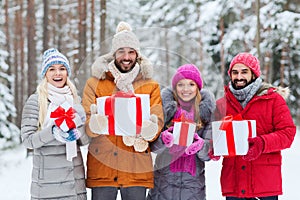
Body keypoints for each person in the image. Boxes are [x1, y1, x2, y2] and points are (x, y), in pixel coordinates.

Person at [82, 21, 164, 200]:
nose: (126, 57)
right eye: (121, 51)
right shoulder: (94, 83)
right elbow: (85, 122)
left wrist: (152, 129)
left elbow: (157, 118)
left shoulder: (150, 85)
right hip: (103, 167)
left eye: (131, 52)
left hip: (136, 168)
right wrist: (93, 124)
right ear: (113, 54)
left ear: (137, 55)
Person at [214, 52, 296, 200]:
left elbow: (288, 134)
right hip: (234, 186)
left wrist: (262, 143)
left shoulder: (273, 100)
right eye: (235, 72)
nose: (239, 77)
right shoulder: (221, 104)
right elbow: (213, 137)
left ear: (254, 74)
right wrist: (213, 148)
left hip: (264, 185)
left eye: (244, 72)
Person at [21, 48, 89, 200]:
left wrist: (78, 128)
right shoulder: (36, 101)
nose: (57, 73)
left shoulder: (75, 101)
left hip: (73, 181)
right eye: (52, 69)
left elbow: (84, 142)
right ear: (45, 74)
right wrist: (52, 131)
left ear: (67, 73)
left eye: (62, 69)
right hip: (47, 184)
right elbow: (28, 140)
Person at [147, 64, 216, 200]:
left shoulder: (206, 114)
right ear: (174, 87)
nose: (186, 89)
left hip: (193, 188)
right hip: (163, 186)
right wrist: (163, 139)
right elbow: (151, 146)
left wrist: (200, 146)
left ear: (197, 88)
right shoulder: (163, 110)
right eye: (180, 84)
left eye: (191, 84)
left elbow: (210, 153)